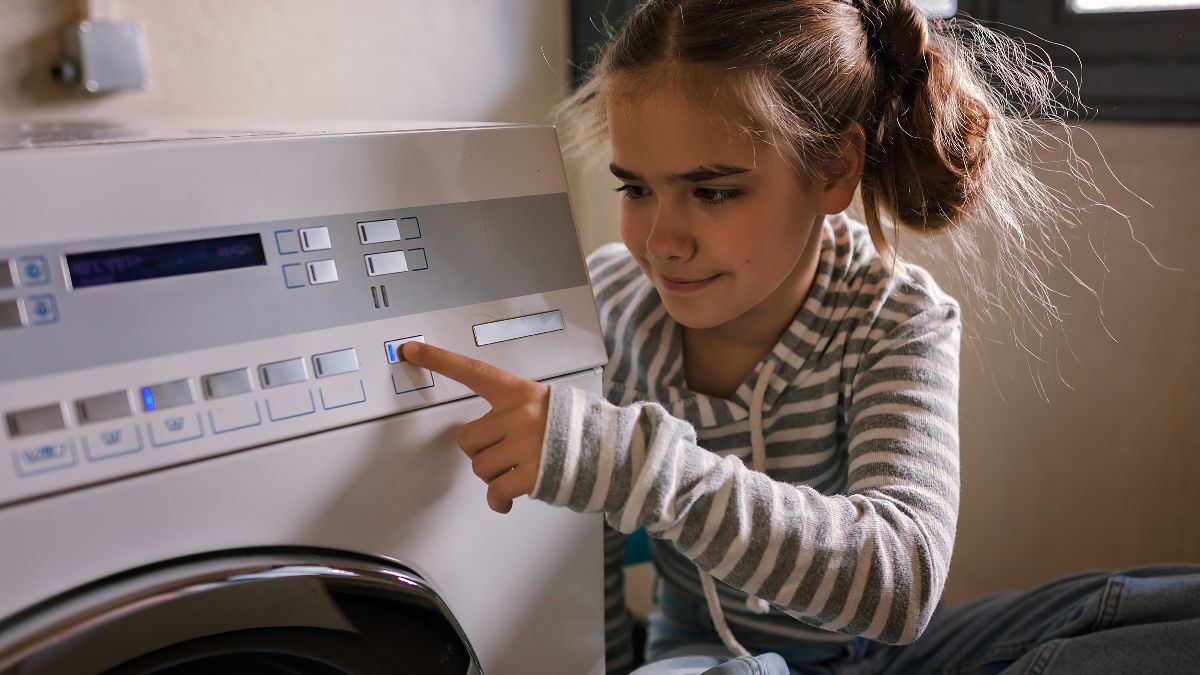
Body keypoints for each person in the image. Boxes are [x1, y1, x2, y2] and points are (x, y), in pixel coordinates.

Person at [401, 0, 1200, 672]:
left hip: (886, 652)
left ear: (833, 171)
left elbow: (903, 583)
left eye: (712, 192)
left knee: (1161, 611)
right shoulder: (611, 308)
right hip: (709, 652)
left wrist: (637, 466)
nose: (663, 240)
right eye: (636, 188)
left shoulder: (896, 318)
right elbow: (589, 586)